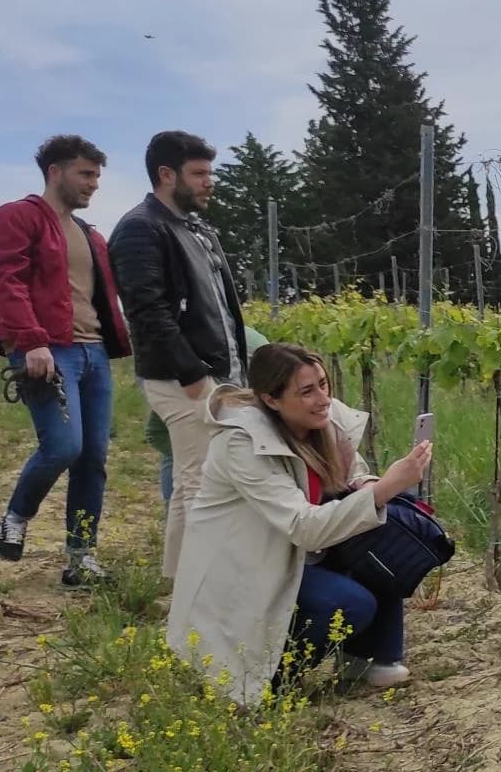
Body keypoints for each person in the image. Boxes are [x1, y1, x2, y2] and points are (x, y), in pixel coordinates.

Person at [167, 342, 432, 706]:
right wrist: (385, 488)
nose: (322, 398)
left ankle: (367, 657)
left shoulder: (324, 420)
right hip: (248, 572)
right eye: (306, 391)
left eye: (323, 384)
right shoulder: (241, 444)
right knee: (349, 604)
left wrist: (370, 485)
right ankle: (265, 678)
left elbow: (353, 473)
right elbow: (303, 525)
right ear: (271, 400)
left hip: (298, 555)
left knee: (385, 534)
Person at [0, 135, 133, 586]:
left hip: (93, 353)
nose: (94, 185)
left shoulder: (90, 235)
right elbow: (5, 280)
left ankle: (80, 559)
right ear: (55, 172)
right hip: (49, 349)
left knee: (94, 458)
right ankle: (15, 518)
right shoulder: (17, 217)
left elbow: (103, 298)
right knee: (64, 446)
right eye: (86, 174)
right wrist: (30, 342)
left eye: (97, 177)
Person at [109, 130, 249, 580]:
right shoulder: (139, 228)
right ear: (166, 175)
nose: (209, 182)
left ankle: (188, 578)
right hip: (183, 379)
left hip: (217, 374)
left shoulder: (194, 228)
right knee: (197, 481)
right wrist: (191, 374)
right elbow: (146, 310)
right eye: (199, 173)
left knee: (209, 478)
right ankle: (194, 587)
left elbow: (219, 307)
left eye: (210, 172)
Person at [146, 324, 268, 501]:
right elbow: (156, 433)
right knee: (186, 477)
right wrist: (189, 456)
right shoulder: (185, 369)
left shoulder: (259, 353)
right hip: (184, 427)